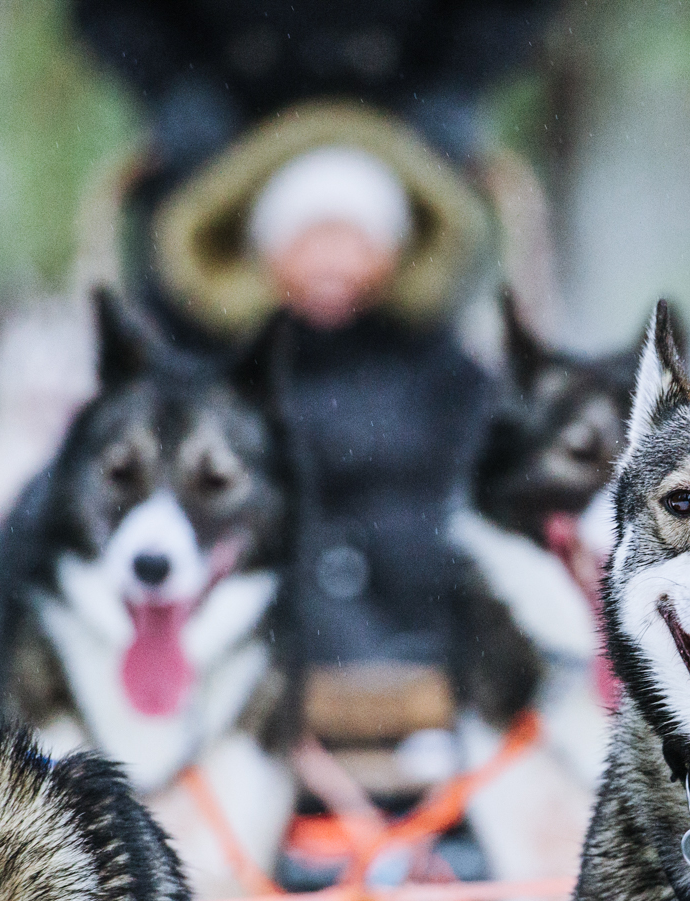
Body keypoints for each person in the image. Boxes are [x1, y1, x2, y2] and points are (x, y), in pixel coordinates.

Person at [73, 0, 556, 723]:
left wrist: (456, 82)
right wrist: (172, 85)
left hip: (408, 119)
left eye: (352, 244)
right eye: (312, 243)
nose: (332, 261)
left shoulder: (445, 376)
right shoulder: (197, 377)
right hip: (214, 141)